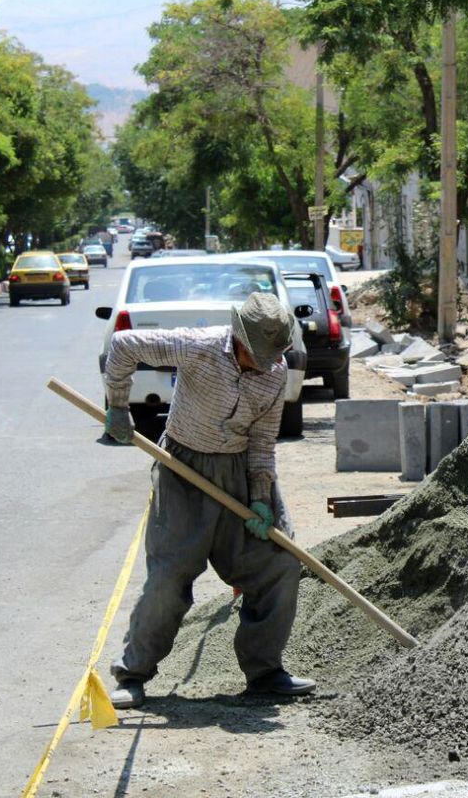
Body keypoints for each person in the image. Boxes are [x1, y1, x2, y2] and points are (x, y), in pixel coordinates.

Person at [103, 292, 314, 709]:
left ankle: (265, 671)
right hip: (183, 467)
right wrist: (117, 405)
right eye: (261, 353)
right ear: (239, 339)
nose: (268, 362)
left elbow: (261, 442)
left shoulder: (275, 373)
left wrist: (259, 498)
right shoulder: (198, 347)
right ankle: (133, 673)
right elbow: (124, 346)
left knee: (279, 563)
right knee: (170, 574)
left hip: (238, 470)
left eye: (275, 354)